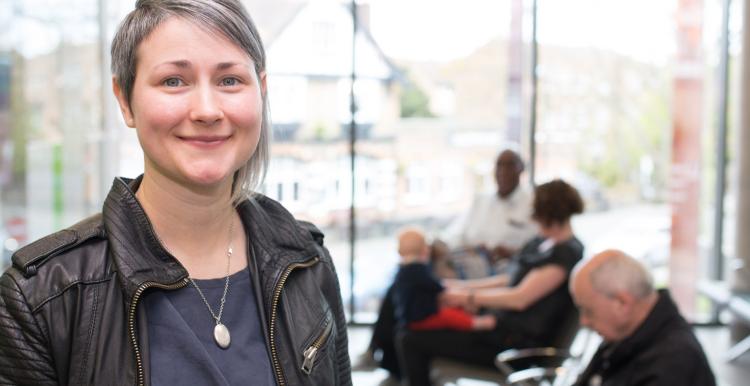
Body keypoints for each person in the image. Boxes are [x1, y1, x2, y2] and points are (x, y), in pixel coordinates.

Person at [0, 1, 351, 385]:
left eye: (229, 80)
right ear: (124, 99)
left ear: (261, 92)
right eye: (173, 81)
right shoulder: (42, 296)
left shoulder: (308, 262)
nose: (206, 110)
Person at [396, 179, 585, 386]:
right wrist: (457, 287)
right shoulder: (541, 242)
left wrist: (464, 296)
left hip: (514, 346)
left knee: (411, 339)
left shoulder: (566, 253)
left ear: (546, 211)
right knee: (411, 328)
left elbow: (519, 298)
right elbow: (508, 280)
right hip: (498, 330)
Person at [570, 250, 716, 386]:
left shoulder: (671, 363)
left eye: (588, 311)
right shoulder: (626, 334)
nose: (584, 321)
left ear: (622, 303)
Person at [437, 148, 537, 275]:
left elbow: (538, 247)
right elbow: (457, 233)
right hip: (469, 262)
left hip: (507, 269)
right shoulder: (480, 200)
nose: (503, 171)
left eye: (510, 165)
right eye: (499, 165)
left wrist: (511, 252)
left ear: (521, 169)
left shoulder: (532, 203)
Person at [392, 228, 496, 331]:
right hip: (421, 317)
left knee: (449, 312)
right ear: (424, 249)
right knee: (448, 316)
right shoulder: (416, 268)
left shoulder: (402, 270)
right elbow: (435, 286)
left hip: (410, 317)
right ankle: (475, 323)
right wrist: (444, 287)